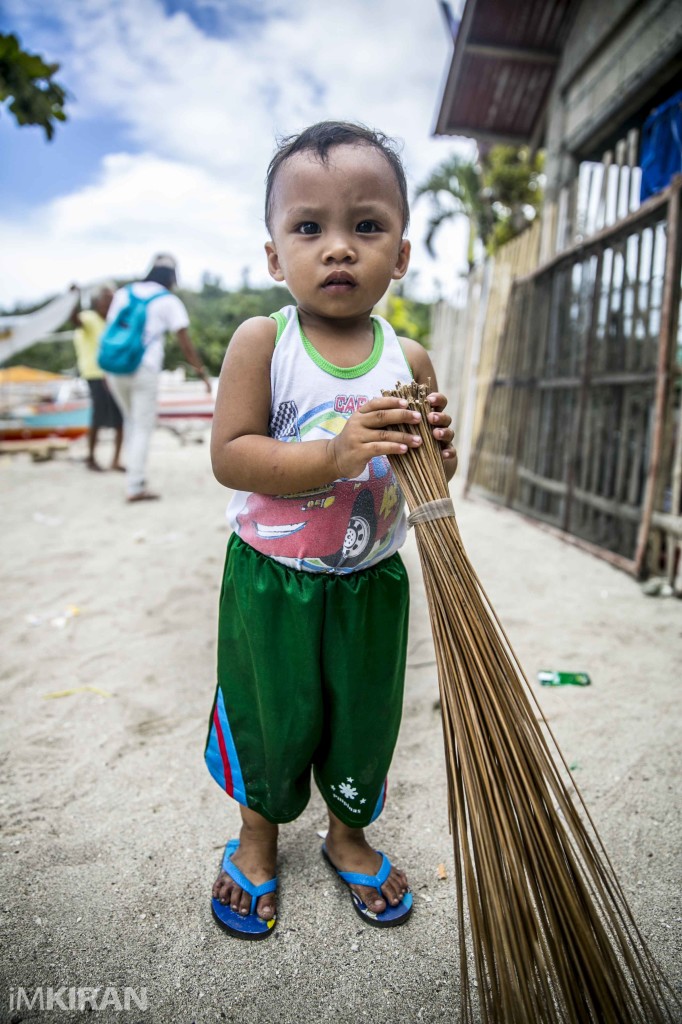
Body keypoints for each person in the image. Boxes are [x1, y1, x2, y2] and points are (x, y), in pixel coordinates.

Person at [204, 121, 457, 940]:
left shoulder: (408, 358)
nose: (338, 248)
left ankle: (347, 836)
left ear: (403, 254)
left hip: (370, 584)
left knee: (364, 716)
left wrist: (442, 458)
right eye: (309, 227)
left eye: (367, 226)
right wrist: (338, 454)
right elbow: (234, 457)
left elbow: (425, 485)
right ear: (276, 256)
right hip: (272, 581)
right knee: (272, 713)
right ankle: (257, 838)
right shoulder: (262, 342)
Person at [105, 254, 211, 503]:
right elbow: (184, 341)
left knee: (131, 421)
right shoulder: (167, 300)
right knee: (142, 426)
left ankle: (133, 474)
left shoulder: (124, 293)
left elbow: (109, 329)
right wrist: (200, 371)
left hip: (114, 367)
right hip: (144, 368)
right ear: (172, 276)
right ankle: (135, 485)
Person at [72, 284, 124, 472]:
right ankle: (91, 458)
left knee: (120, 419)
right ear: (97, 301)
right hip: (94, 374)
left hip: (114, 374)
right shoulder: (89, 317)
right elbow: (74, 320)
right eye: (107, 298)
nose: (111, 302)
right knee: (98, 417)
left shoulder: (113, 320)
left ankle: (116, 460)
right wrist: (73, 299)